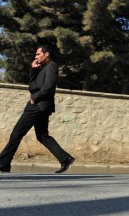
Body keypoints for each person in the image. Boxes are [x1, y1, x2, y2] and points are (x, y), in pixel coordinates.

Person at [0, 45, 75, 174]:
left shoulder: (51, 66)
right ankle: (65, 158)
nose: (36, 56)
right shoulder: (42, 68)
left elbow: (49, 87)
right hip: (41, 106)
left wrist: (34, 98)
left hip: (37, 105)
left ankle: (3, 163)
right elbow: (32, 85)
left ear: (46, 54)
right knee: (43, 136)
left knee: (17, 133)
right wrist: (33, 70)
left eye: (38, 54)